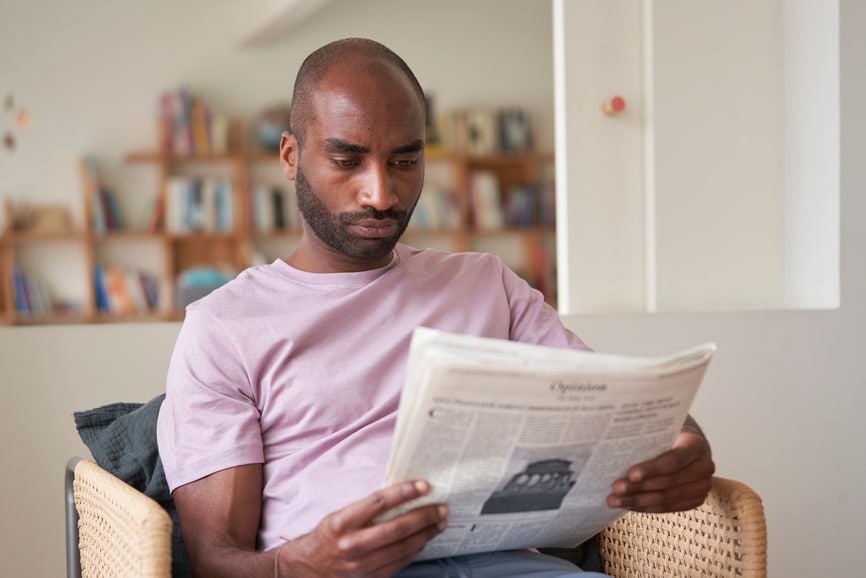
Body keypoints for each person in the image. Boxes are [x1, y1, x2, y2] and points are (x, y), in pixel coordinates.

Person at [156, 37, 715, 578]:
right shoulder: (224, 328)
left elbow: (615, 401)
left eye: (404, 161)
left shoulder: (486, 284)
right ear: (290, 156)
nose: (381, 194)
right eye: (348, 161)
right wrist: (294, 565)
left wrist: (682, 444)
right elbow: (214, 560)